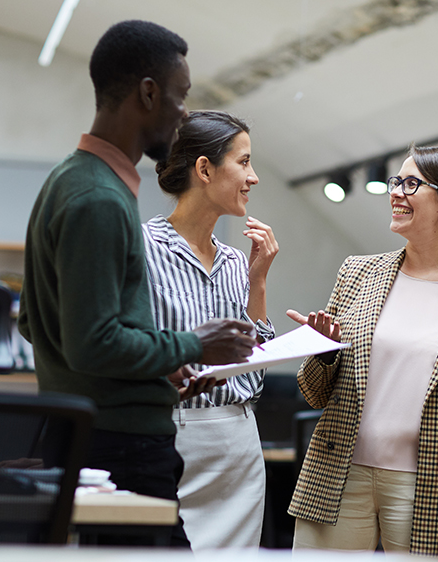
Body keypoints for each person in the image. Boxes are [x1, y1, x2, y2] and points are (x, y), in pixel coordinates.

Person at [18, 21, 256, 548]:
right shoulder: (100, 199)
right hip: (121, 447)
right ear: (149, 93)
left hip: (96, 437)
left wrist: (159, 367)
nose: (184, 115)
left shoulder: (69, 179)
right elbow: (93, 340)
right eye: (181, 97)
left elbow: (35, 322)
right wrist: (196, 344)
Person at [285, 145, 438, 560]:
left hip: (432, 484)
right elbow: (314, 393)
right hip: (339, 472)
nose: (397, 192)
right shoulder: (356, 273)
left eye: (412, 184)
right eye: (396, 181)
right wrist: (322, 353)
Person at [141, 110, 278, 550]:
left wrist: (258, 283)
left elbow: (253, 376)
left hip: (238, 447)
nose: (253, 177)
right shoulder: (141, 248)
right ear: (204, 169)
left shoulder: (238, 262)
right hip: (170, 439)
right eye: (244, 162)